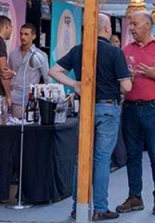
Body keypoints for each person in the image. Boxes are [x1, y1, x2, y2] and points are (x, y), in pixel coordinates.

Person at [49, 13, 131, 221]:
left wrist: (75, 84)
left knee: (82, 158)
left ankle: (79, 206)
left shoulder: (79, 50)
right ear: (107, 29)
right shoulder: (115, 52)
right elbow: (126, 87)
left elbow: (54, 71)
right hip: (108, 108)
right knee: (102, 160)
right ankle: (100, 208)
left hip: (86, 108)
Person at [116, 11, 155, 216]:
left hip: (154, 108)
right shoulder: (125, 50)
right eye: (130, 24)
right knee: (133, 155)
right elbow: (118, 82)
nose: (131, 28)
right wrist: (126, 80)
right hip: (130, 107)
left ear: (147, 25)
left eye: (134, 24)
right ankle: (134, 197)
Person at [9, 23, 50, 119]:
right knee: (15, 125)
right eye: (21, 34)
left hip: (30, 99)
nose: (23, 37)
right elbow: (9, 75)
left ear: (33, 36)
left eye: (26, 34)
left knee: (28, 126)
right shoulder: (13, 53)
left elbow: (47, 79)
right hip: (14, 97)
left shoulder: (40, 55)